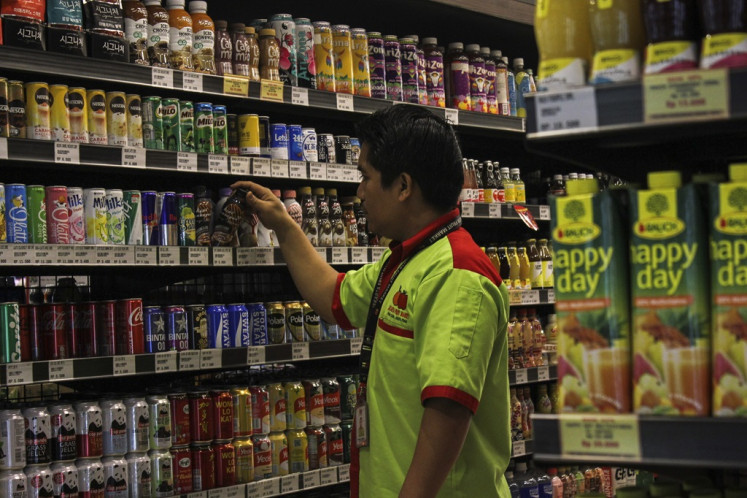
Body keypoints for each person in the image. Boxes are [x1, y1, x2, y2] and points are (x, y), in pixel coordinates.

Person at [232, 105, 510, 498]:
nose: (359, 191)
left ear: (403, 186)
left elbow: (448, 411)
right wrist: (283, 225)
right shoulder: (407, 260)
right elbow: (334, 297)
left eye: (366, 176)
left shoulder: (456, 274)